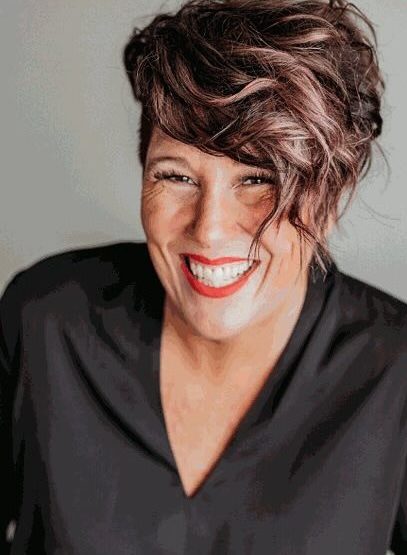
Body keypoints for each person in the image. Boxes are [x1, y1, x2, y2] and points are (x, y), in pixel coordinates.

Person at [0, 0, 406, 553]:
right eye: (176, 176)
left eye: (258, 178)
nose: (209, 230)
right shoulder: (44, 323)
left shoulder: (396, 374)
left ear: (332, 199)